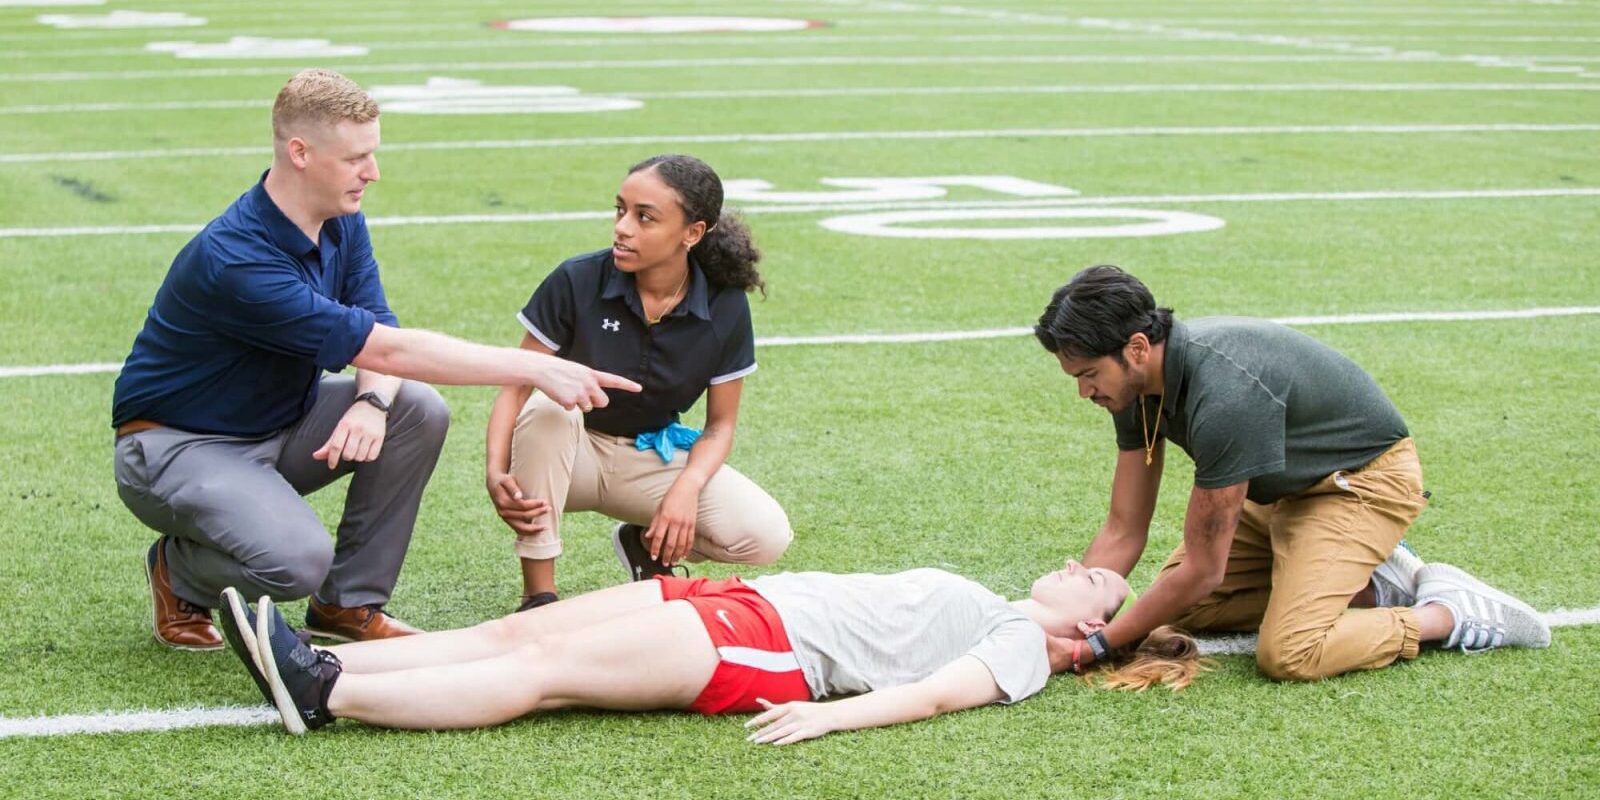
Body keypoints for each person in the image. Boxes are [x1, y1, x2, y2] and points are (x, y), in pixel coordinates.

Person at [111, 69, 639, 651]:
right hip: (176, 446)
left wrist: (369, 400)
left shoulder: (342, 220)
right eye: (357, 158)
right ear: (300, 152)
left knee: (415, 408)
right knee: (295, 562)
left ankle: (347, 605)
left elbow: (379, 327)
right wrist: (536, 366)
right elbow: (386, 347)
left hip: (276, 423)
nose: (374, 172)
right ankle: (179, 572)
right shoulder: (237, 260)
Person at [1034, 265, 1550, 682]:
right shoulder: (1130, 388)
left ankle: (1448, 613)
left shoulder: (1225, 396)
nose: (1084, 392)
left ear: (1138, 348)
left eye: (1087, 375)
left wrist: (1093, 646)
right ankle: (1370, 588)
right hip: (1282, 494)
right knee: (1180, 609)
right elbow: (1125, 528)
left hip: (1359, 484)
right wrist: (1077, 619)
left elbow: (1204, 568)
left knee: (1291, 652)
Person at [217, 558, 1156, 738]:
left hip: (766, 645)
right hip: (739, 600)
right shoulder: (999, 602)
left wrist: (829, 721)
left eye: (1099, 582)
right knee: (513, 632)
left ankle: (329, 695)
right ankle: (302, 657)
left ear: (1089, 630)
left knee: (541, 677)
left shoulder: (1026, 650)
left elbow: (940, 695)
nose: (1082, 565)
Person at [484, 154, 791, 612]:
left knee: (764, 536)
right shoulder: (577, 279)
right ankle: (539, 595)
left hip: (648, 457)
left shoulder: (725, 306)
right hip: (567, 456)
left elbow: (719, 426)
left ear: (693, 233)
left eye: (644, 217)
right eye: (620, 210)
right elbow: (517, 385)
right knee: (551, 408)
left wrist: (685, 490)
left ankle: (645, 544)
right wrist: (494, 470)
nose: (622, 228)